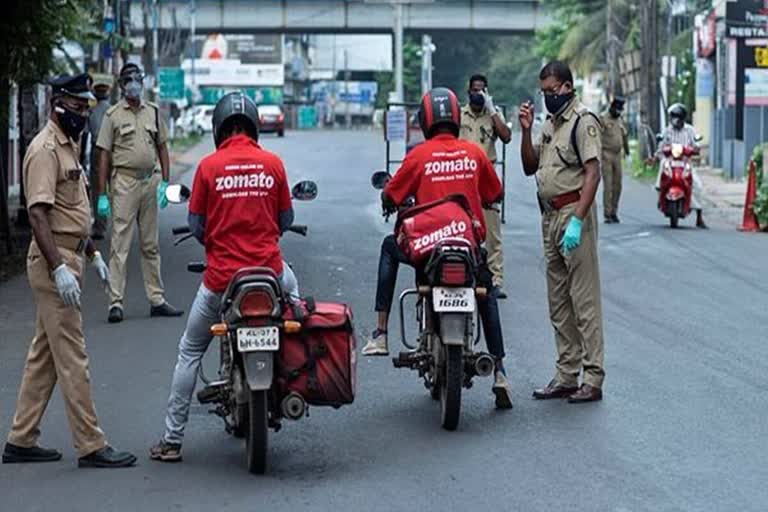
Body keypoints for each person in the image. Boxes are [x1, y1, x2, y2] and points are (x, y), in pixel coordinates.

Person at [149, 92, 300, 462]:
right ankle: (297, 382)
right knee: (300, 313)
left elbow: (197, 227)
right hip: (272, 274)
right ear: (254, 126)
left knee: (189, 351)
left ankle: (171, 441)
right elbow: (286, 221)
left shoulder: (208, 167)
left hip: (222, 281)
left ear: (218, 128)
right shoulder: (274, 164)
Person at [2, 74, 136, 468]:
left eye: (85, 109)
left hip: (70, 253)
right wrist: (59, 268)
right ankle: (91, 444)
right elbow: (39, 215)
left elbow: (71, 209)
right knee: (73, 356)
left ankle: (20, 439)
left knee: (44, 356)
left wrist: (93, 254)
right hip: (52, 261)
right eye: (76, 108)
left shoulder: (69, 143)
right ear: (56, 103)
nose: (82, 115)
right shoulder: (44, 149)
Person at [362, 87, 513, 410]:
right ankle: (500, 370)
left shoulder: (418, 155)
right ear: (456, 118)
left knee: (389, 248)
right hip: (467, 246)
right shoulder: (473, 153)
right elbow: (495, 192)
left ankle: (381, 333)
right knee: (485, 292)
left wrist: (389, 199)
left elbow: (392, 195)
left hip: (428, 249)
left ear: (425, 120)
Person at [519, 61, 605, 403]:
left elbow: (593, 173)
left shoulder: (583, 122)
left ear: (568, 87)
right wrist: (526, 130)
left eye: (553, 92)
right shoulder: (550, 124)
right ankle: (567, 374)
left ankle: (593, 377)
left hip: (573, 214)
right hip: (549, 218)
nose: (548, 98)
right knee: (559, 303)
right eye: (544, 93)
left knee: (584, 301)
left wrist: (578, 220)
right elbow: (529, 167)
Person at [95, 63, 182, 323]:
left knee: (150, 245)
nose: (133, 83)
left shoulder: (153, 113)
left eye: (137, 78)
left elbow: (163, 148)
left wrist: (166, 184)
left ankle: (156, 299)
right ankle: (115, 303)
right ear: (122, 85)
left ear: (142, 82)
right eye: (128, 80)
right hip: (124, 182)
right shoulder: (112, 116)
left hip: (150, 183)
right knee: (119, 244)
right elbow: (104, 156)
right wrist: (102, 194)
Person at [459, 74, 512, 298]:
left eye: (482, 91)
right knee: (462, 226)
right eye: (474, 90)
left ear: (487, 92)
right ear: (468, 91)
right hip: (463, 174)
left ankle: (495, 280)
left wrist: (492, 109)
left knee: (491, 231)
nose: (477, 94)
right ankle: (464, 275)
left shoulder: (493, 115)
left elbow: (507, 137)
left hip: (486, 176)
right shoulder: (459, 115)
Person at [655, 103, 707, 229]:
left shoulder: (690, 130)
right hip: (670, 161)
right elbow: (661, 146)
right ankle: (660, 192)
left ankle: (699, 216)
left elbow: (696, 145)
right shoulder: (667, 130)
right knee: (662, 167)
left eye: (677, 117)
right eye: (672, 117)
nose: (674, 120)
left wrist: (694, 149)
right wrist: (656, 155)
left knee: (698, 186)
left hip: (685, 162)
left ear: (682, 118)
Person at [83, 75, 113, 240]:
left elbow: (86, 135)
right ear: (107, 93)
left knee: (99, 190)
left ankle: (100, 227)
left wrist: (81, 158)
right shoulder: (113, 110)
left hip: (97, 151)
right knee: (116, 188)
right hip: (113, 151)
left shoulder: (91, 112)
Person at [600, 97, 629, 224]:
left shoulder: (619, 119)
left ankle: (614, 212)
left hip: (618, 155)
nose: (618, 112)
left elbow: (624, 135)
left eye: (620, 110)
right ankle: (607, 213)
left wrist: (627, 152)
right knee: (608, 185)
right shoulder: (602, 118)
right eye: (616, 110)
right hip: (606, 154)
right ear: (611, 108)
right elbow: (596, 137)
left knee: (618, 185)